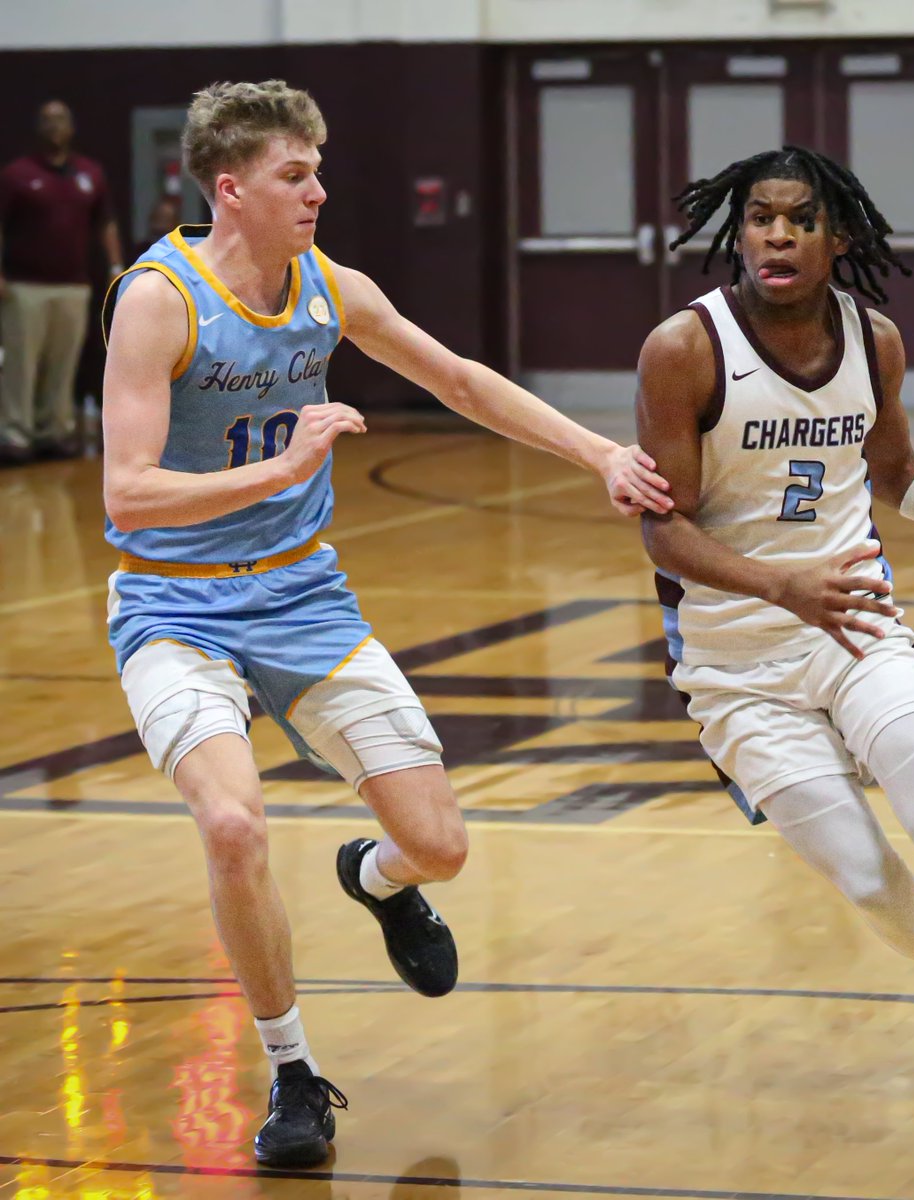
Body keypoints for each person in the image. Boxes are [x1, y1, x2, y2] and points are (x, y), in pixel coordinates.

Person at [101, 79, 673, 1169]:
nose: (320, 189)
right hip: (174, 605)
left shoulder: (330, 287)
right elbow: (128, 493)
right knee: (232, 826)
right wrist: (288, 462)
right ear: (232, 188)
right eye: (295, 174)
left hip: (303, 596)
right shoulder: (158, 299)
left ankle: (375, 879)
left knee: (442, 849)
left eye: (318, 169)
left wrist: (600, 453)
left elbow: (457, 379)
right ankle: (292, 1070)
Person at [635, 145, 914, 1095]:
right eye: (760, 216)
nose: (776, 234)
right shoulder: (683, 349)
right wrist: (774, 584)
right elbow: (661, 530)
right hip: (730, 665)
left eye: (799, 218)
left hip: (852, 627)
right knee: (863, 874)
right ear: (740, 232)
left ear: (835, 237)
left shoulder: (871, 337)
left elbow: (895, 474)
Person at [0, 100, 123, 463]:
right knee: (22, 362)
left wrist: (116, 266)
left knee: (63, 362)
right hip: (24, 287)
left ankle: (54, 431)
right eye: (48, 120)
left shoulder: (90, 174)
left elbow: (106, 223)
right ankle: (15, 434)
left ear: (71, 128)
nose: (55, 127)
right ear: (38, 127)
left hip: (74, 285)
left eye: (61, 120)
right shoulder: (16, 175)